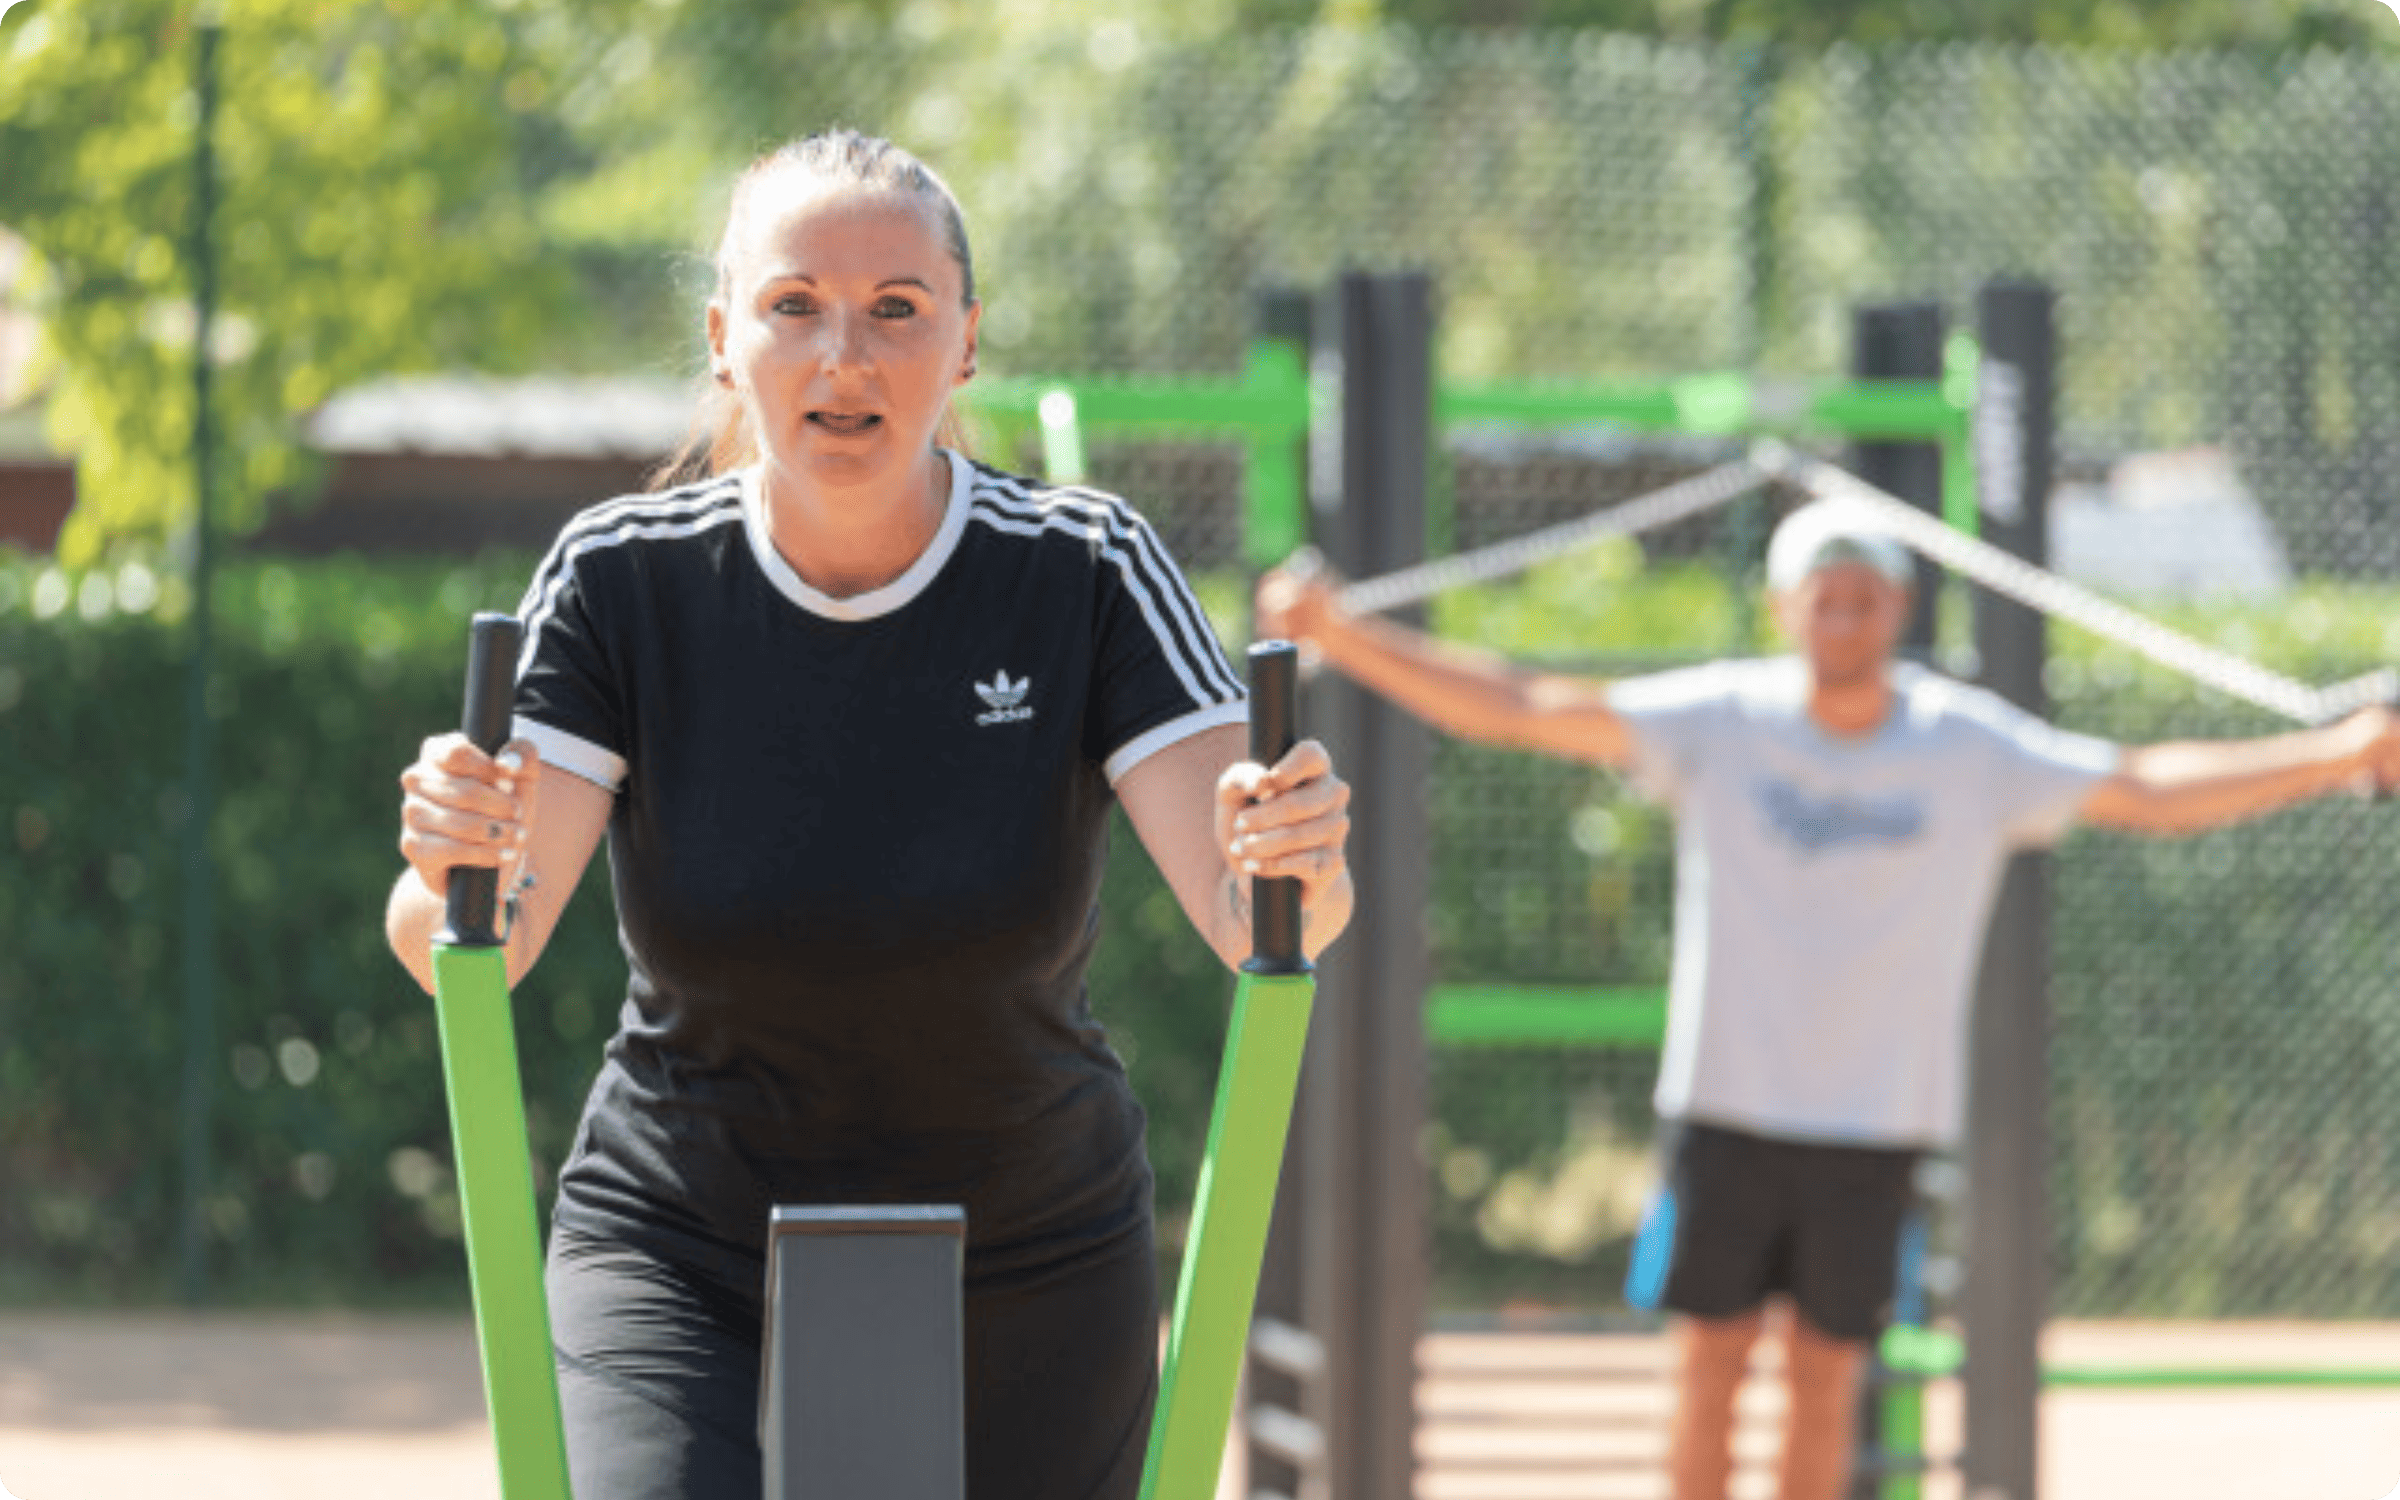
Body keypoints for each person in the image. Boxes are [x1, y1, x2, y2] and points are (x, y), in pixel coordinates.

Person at [385, 129, 1354, 1500]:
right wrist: (447, 867)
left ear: (965, 344)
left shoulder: (1082, 564)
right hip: (683, 1234)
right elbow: (467, 936)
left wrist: (1297, 853)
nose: (846, 355)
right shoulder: (621, 579)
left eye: (898, 308)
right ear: (727, 339)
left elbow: (1264, 904)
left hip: (1027, 1236)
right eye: (795, 307)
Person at [1255, 498, 2400, 1500]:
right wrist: (1344, 635)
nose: (1844, 620)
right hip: (1726, 1110)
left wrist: (2342, 752)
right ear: (1783, 607)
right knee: (1707, 1372)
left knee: (1827, 1379)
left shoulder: (1967, 748)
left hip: (1876, 1125)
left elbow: (2146, 787)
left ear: (1896, 611)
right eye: (1824, 598)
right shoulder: (1723, 720)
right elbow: (1523, 703)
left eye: (1865, 599)